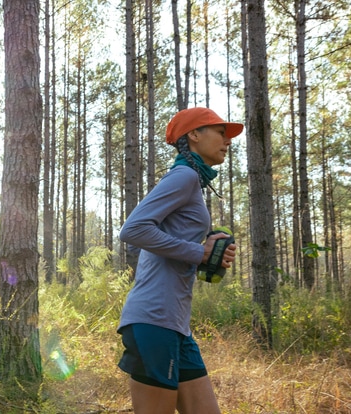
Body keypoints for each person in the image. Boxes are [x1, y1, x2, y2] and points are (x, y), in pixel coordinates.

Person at [117, 107, 242, 413]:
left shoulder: (191, 181)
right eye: (220, 132)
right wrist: (199, 252)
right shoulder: (184, 175)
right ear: (194, 135)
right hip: (153, 318)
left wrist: (206, 253)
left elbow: (168, 242)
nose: (228, 141)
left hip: (175, 324)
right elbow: (133, 229)